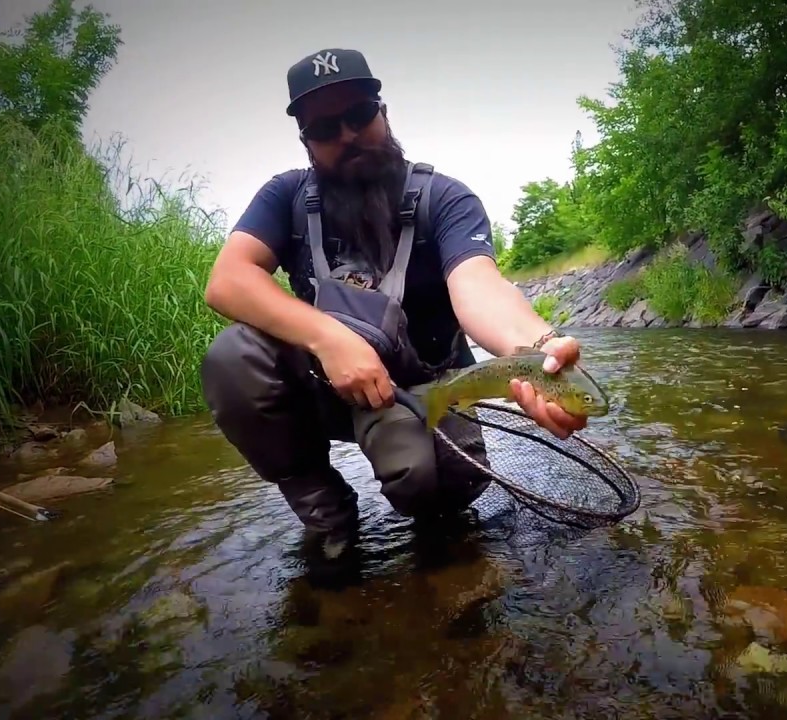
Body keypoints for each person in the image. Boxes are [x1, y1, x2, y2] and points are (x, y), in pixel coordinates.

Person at [199, 47, 587, 557]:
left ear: (383, 113)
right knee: (232, 357)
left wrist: (539, 347)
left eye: (359, 115)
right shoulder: (285, 196)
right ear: (305, 141)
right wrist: (329, 339)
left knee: (439, 490)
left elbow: (479, 287)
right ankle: (328, 517)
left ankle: (437, 527)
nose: (347, 134)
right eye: (324, 128)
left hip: (422, 389)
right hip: (324, 384)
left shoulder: (444, 198)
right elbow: (228, 280)